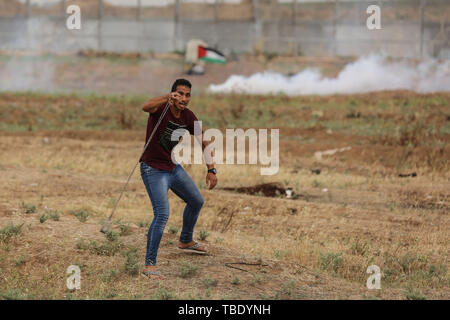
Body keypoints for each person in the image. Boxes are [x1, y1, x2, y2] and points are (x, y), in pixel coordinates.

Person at [139, 78, 218, 279]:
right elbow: (145, 106)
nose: (184, 98)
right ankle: (150, 265)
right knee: (162, 214)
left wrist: (212, 169)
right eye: (180, 94)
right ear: (173, 94)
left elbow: (204, 141)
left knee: (196, 200)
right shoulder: (161, 108)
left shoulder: (188, 116)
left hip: (172, 168)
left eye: (187, 95)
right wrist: (167, 98)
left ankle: (185, 240)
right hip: (153, 169)